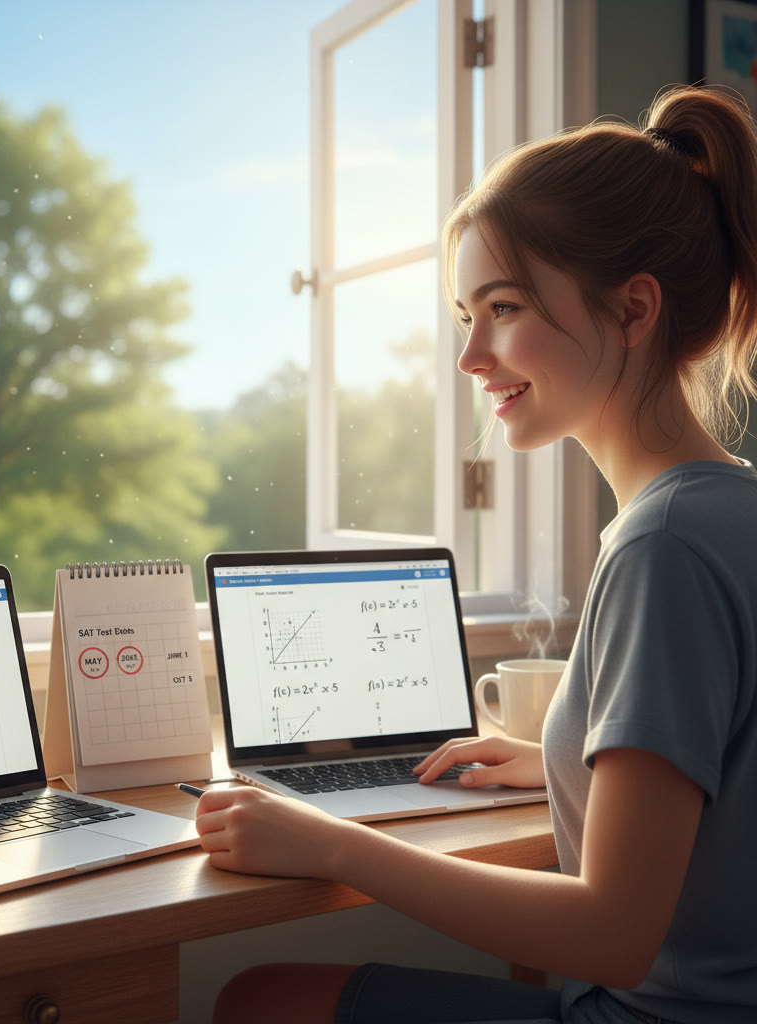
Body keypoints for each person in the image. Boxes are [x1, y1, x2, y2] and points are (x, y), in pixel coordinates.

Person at [194, 84, 757, 1024]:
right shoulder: (727, 504)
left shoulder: (663, 547)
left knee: (259, 1001)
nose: (470, 355)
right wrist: (566, 758)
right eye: (466, 314)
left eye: (502, 307)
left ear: (634, 309)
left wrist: (334, 845)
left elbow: (615, 932)